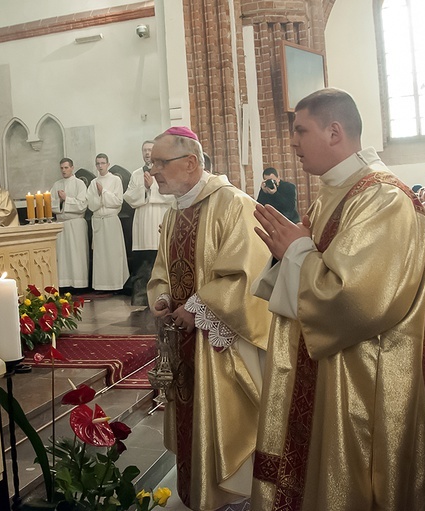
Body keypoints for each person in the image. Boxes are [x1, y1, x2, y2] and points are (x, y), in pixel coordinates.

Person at [251, 88, 425, 510]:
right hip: (333, 369)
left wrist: (295, 251)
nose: (292, 142)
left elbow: (356, 300)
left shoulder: (383, 199)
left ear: (334, 132)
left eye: (300, 131)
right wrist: (289, 253)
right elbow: (308, 260)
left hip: (366, 376)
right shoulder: (335, 191)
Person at [147, 126, 271, 511]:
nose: (154, 172)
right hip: (184, 343)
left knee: (229, 423)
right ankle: (198, 490)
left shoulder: (233, 203)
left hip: (220, 343)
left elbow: (247, 272)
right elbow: (162, 269)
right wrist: (165, 297)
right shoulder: (174, 211)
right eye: (151, 164)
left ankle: (236, 497)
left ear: (191, 162)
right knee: (190, 419)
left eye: (160, 163)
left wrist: (199, 307)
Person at [123, 140, 174, 306]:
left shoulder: (165, 171)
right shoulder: (136, 174)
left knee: (159, 258)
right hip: (142, 221)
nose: (147, 153)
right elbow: (129, 197)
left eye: (150, 150)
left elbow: (172, 195)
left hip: (159, 217)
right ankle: (141, 297)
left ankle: (162, 298)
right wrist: (144, 189)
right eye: (144, 150)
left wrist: (152, 187)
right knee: (143, 261)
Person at [87, 153, 129, 291]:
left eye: (103, 163)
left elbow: (118, 201)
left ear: (108, 164)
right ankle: (101, 285)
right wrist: (99, 197)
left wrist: (103, 192)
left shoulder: (115, 180)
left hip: (111, 221)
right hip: (99, 221)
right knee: (100, 255)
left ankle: (116, 284)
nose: (100, 166)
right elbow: (91, 205)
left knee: (114, 253)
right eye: (98, 163)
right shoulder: (93, 183)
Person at [50, 158, 89, 289]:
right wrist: (60, 202)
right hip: (62, 224)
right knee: (63, 256)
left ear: (72, 168)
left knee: (76, 254)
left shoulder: (80, 184)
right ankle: (64, 284)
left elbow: (82, 205)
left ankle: (79, 284)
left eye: (66, 168)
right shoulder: (56, 185)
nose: (63, 170)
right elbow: (51, 204)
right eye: (61, 168)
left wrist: (66, 199)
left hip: (76, 223)